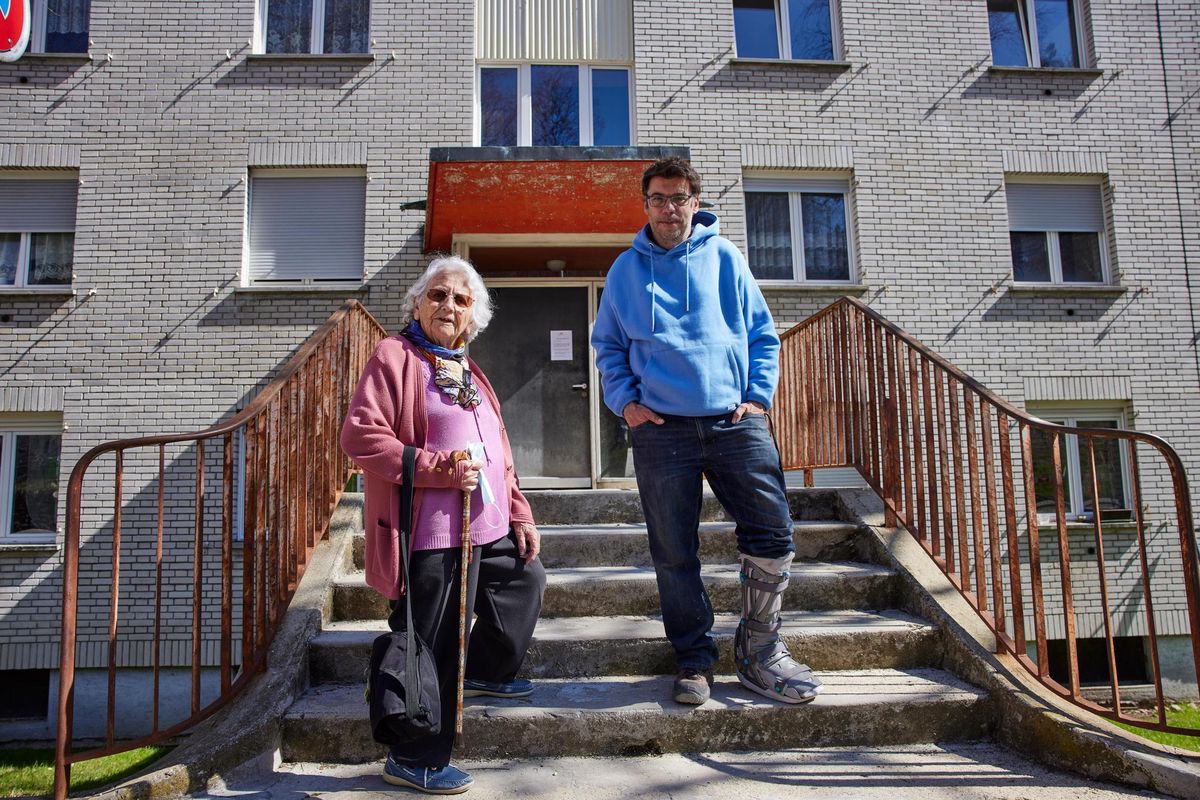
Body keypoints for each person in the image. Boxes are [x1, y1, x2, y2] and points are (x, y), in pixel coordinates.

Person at [591, 156, 822, 707]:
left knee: (772, 532)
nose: (668, 209)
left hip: (733, 421)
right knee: (673, 551)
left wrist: (758, 398)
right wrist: (626, 404)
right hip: (661, 431)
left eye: (678, 198)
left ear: (695, 203)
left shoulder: (726, 258)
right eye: (657, 199)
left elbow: (764, 336)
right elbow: (608, 348)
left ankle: (760, 649)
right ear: (644, 205)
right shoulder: (625, 270)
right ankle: (694, 660)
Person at [341, 255, 545, 795]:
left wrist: (519, 509)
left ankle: (485, 671)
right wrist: (438, 468)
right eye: (436, 295)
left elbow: (498, 450)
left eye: (460, 298)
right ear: (416, 303)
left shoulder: (469, 368)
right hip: (432, 531)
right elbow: (361, 436)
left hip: (488, 523)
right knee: (431, 641)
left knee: (524, 582)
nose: (448, 305)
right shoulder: (395, 356)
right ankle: (414, 756)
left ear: (474, 315)